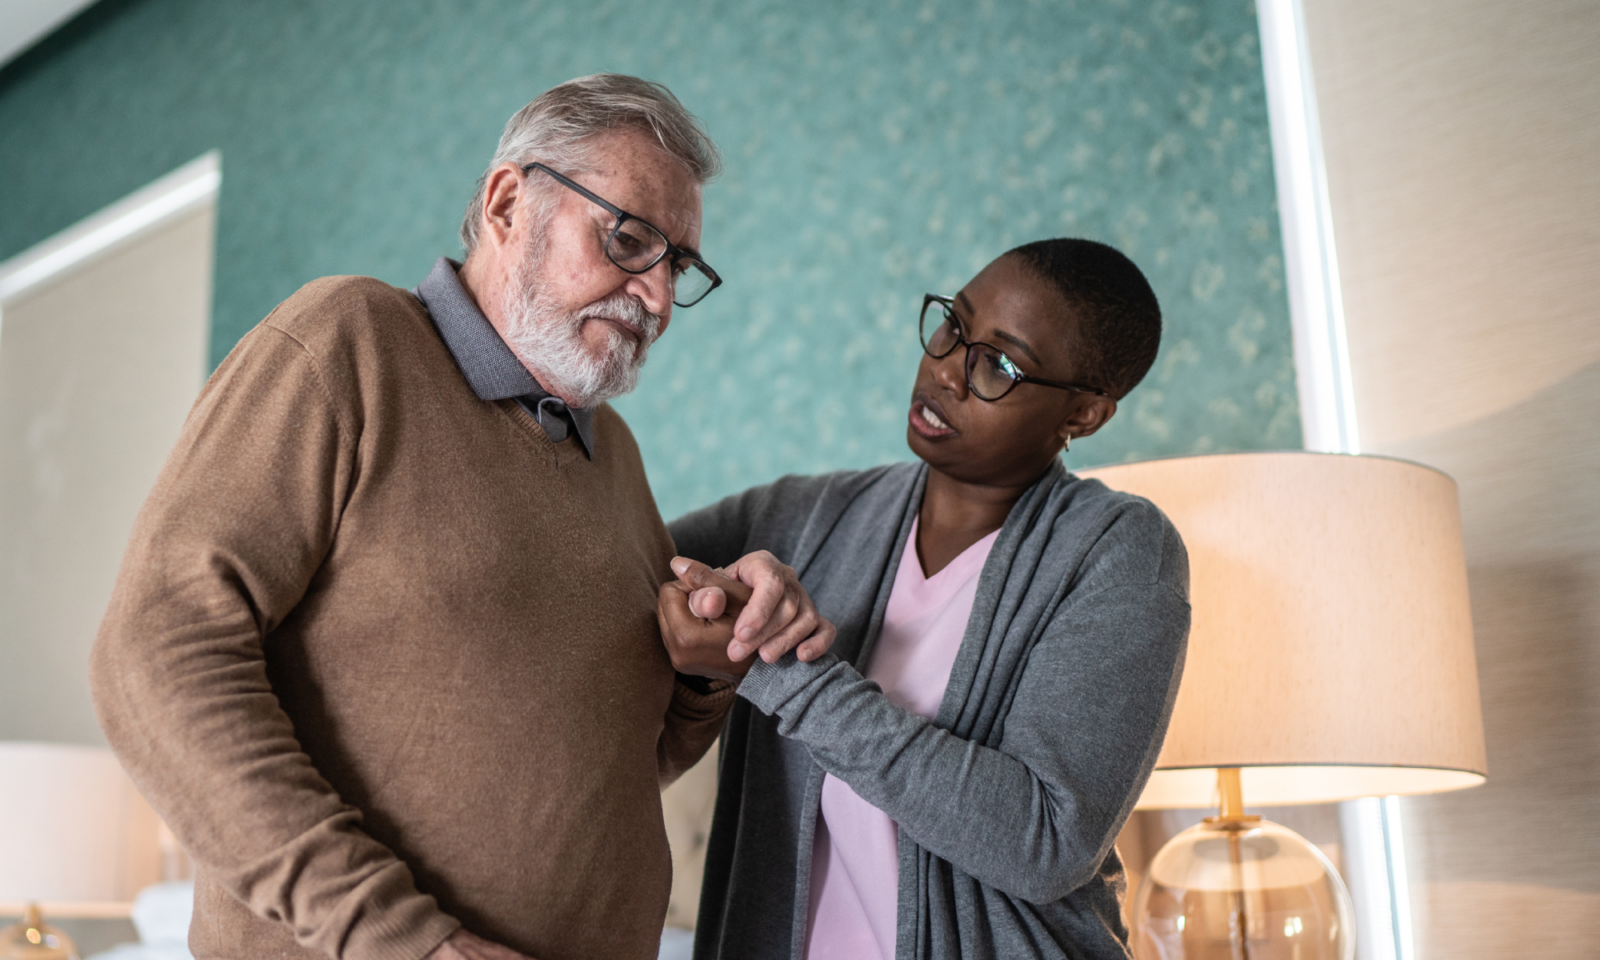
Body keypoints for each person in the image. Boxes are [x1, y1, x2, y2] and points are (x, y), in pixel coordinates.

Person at [90, 74, 829, 960]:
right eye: (630, 239)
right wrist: (401, 940)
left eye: (679, 264)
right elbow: (154, 652)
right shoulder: (346, 343)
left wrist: (706, 675)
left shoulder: (615, 455)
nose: (660, 298)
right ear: (510, 202)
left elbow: (618, 766)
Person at [658, 239, 1192, 960]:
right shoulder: (804, 515)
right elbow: (617, 570)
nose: (947, 369)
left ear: (1086, 414)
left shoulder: (1117, 552)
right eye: (952, 326)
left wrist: (775, 670)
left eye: (1000, 364)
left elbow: (1045, 842)